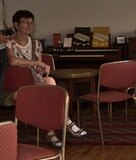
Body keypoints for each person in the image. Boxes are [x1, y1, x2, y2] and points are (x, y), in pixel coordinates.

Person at [5, 9, 87, 148]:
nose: (29, 25)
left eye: (32, 22)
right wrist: (37, 63)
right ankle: (65, 124)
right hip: (17, 87)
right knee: (48, 92)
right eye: (25, 22)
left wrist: (42, 69)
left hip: (35, 83)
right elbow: (12, 61)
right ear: (16, 25)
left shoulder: (36, 44)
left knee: (50, 83)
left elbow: (38, 67)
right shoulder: (9, 42)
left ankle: (51, 133)